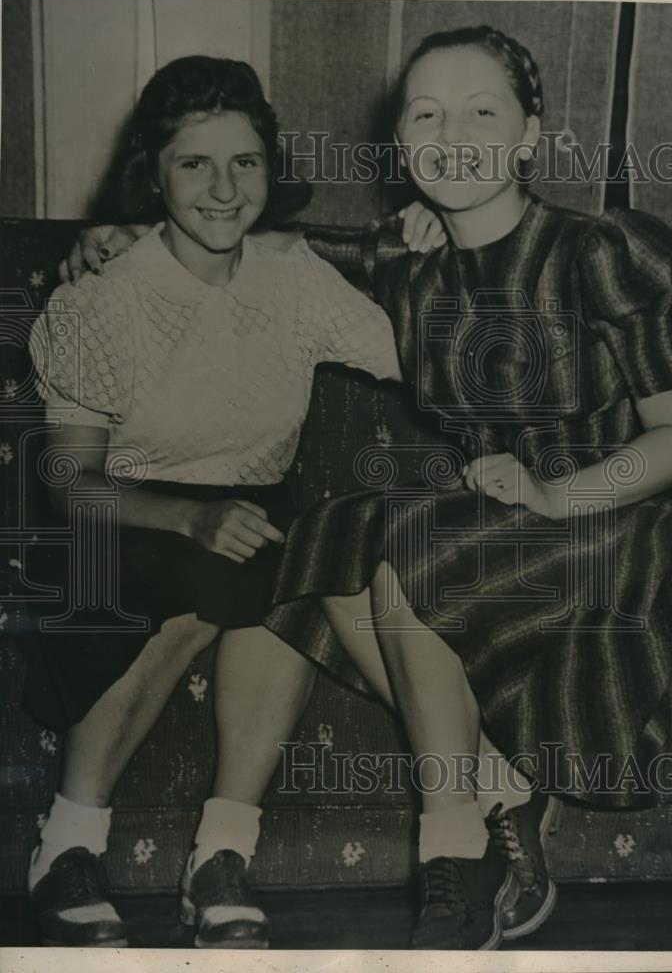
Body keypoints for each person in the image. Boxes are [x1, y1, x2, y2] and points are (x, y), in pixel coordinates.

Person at [65, 26, 672, 951]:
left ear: (529, 134)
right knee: (325, 536)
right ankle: (496, 794)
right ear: (401, 141)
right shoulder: (400, 255)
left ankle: (447, 847)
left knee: (409, 543)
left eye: (481, 112)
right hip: (486, 520)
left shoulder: (599, 251)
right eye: (426, 114)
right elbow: (264, 243)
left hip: (611, 513)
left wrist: (551, 494)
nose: (451, 133)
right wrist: (136, 230)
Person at [25, 54, 443, 951]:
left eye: (244, 163)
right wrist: (185, 518)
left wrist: (442, 238)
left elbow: (426, 362)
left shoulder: (293, 279)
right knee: (227, 562)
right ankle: (67, 844)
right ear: (154, 173)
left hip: (253, 518)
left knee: (282, 564)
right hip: (120, 519)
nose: (223, 189)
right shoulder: (102, 296)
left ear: (271, 167)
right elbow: (68, 487)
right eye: (194, 164)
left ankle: (221, 856)